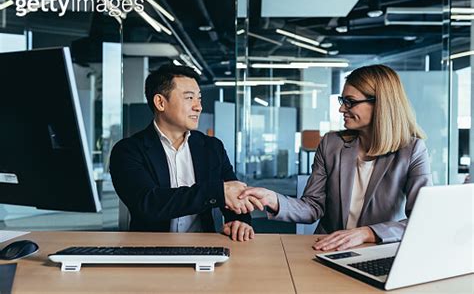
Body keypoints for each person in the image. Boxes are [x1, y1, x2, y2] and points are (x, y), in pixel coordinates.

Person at [239, 64, 433, 250]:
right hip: (328, 250)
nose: (342, 109)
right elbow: (312, 206)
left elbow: (422, 219)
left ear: (380, 104)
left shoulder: (412, 150)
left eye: (350, 102)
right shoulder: (331, 144)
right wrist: (273, 199)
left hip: (378, 251)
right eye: (343, 101)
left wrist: (366, 233)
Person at [110, 64, 259, 241]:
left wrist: (239, 221)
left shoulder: (211, 148)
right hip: (149, 251)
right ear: (160, 102)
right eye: (189, 98)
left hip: (204, 249)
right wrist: (215, 192)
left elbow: (234, 194)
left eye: (199, 99)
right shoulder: (128, 150)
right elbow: (148, 203)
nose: (198, 107)